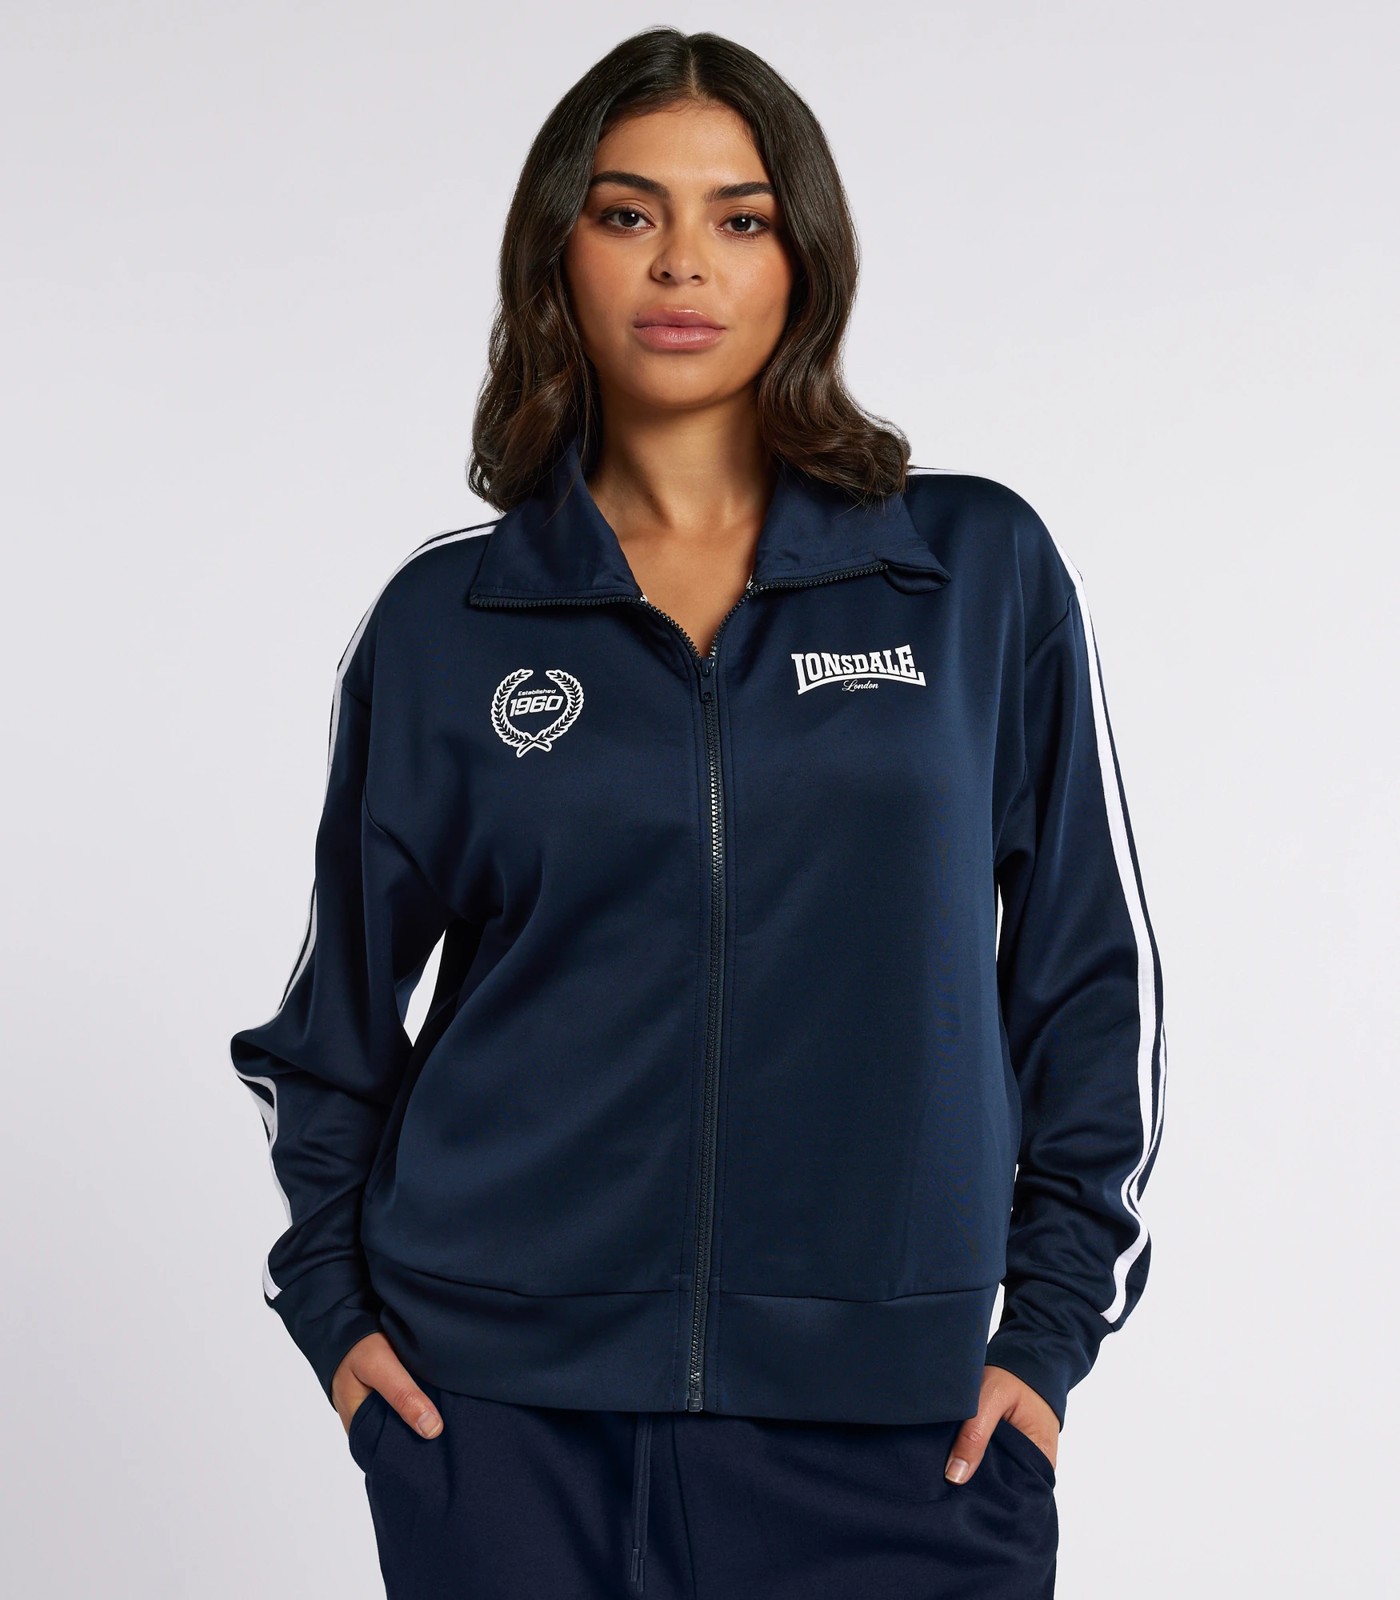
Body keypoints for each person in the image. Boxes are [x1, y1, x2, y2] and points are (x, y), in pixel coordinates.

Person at [228, 26, 1167, 1600]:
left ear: (805, 259)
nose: (682, 263)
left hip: (901, 1429)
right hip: (500, 1419)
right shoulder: (449, 623)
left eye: (739, 217)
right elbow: (334, 1025)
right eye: (627, 213)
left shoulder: (969, 575)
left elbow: (1085, 980)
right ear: (558, 254)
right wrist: (336, 1319)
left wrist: (1051, 1329)